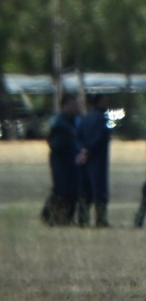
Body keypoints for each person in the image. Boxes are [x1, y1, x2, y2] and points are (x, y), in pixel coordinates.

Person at [43, 94, 85, 226]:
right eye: (73, 104)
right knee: (61, 190)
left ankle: (67, 218)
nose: (76, 107)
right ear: (65, 106)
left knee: (73, 191)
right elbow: (53, 141)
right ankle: (49, 216)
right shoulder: (58, 121)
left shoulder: (77, 120)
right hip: (60, 160)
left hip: (73, 160)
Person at [77, 94, 112, 227]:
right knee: (100, 191)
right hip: (98, 160)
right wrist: (89, 150)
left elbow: (78, 136)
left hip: (85, 159)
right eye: (105, 101)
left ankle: (83, 218)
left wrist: (83, 150)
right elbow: (99, 137)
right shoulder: (102, 118)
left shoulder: (84, 118)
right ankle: (101, 219)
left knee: (85, 191)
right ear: (99, 102)